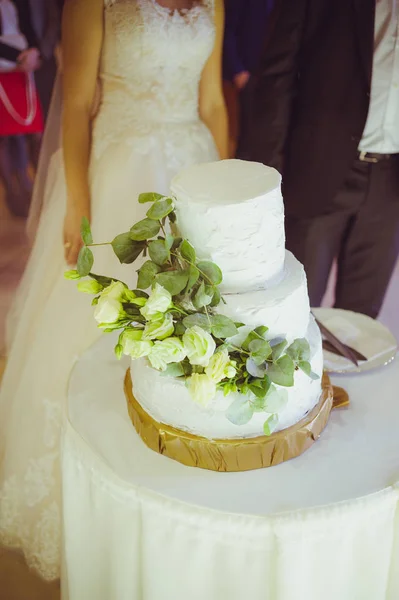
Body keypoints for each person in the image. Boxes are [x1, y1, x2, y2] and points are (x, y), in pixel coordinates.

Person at [0, 0, 227, 582]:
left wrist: (224, 192)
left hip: (191, 163)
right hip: (120, 170)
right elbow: (76, 104)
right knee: (103, 328)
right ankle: (97, 485)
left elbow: (213, 101)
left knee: (186, 331)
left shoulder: (212, 3)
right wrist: (79, 203)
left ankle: (173, 480)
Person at [238, 0, 399, 318]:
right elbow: (275, 79)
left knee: (361, 321)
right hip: (317, 169)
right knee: (292, 310)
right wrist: (264, 179)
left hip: (391, 183)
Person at [0, 0, 43, 217]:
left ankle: (38, 190)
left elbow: (28, 26)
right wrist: (17, 56)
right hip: (6, 70)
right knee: (4, 139)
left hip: (23, 73)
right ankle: (15, 194)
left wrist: (35, 52)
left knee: (35, 132)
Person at [222, 0, 273, 155]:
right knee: (249, 138)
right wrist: (238, 71)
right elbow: (228, 29)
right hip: (249, 77)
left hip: (283, 77)